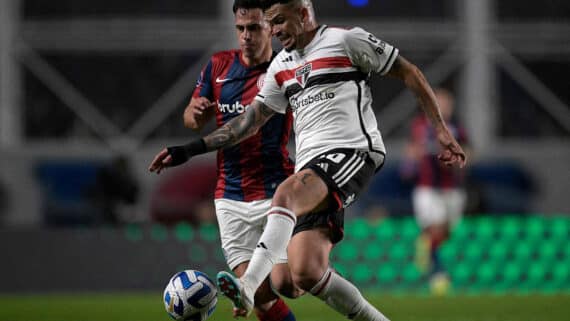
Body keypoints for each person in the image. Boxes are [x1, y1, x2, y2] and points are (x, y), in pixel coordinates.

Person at [149, 1, 466, 320]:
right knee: (299, 276)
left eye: (280, 22)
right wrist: (187, 150)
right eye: (270, 24)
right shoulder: (280, 66)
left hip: (353, 152)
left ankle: (246, 286)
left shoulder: (345, 41)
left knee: (285, 194)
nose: (274, 31)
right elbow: (247, 123)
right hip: (312, 169)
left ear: (303, 14)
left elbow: (408, 71)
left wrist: (439, 129)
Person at [158, 1, 299, 320]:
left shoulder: (285, 68)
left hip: (275, 189)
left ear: (270, 29)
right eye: (240, 28)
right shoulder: (219, 65)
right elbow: (192, 119)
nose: (245, 35)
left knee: (286, 283)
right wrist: (194, 114)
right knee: (260, 296)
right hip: (230, 195)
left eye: (253, 28)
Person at [401, 88, 469, 294]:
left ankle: (426, 245)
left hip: (452, 188)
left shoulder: (457, 128)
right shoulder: (420, 126)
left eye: (447, 103)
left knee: (446, 231)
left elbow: (469, 151)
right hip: (427, 187)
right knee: (436, 228)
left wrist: (459, 160)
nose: (444, 107)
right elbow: (411, 151)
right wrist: (415, 158)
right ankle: (439, 276)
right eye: (440, 103)